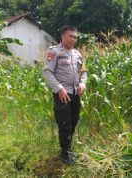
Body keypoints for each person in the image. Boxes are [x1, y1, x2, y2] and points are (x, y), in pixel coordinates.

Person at [42, 26, 87, 164]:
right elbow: (46, 72)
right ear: (62, 36)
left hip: (75, 93)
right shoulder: (54, 51)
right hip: (62, 93)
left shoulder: (78, 54)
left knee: (74, 120)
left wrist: (83, 83)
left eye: (75, 37)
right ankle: (65, 152)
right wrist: (59, 88)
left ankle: (68, 147)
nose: (73, 39)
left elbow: (83, 72)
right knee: (65, 122)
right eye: (70, 36)